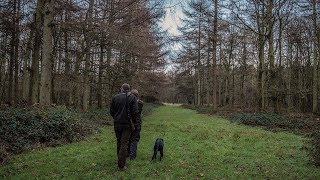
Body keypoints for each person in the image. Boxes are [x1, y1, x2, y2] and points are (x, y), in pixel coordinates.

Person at [110, 83, 138, 171]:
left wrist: (116, 117)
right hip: (127, 124)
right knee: (124, 143)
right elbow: (135, 112)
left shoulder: (115, 97)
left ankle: (119, 159)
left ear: (121, 89)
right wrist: (134, 122)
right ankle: (121, 166)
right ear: (129, 89)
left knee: (119, 141)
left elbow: (111, 111)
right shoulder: (132, 98)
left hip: (117, 123)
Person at [128, 89, 144, 160]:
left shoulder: (128, 102)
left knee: (129, 138)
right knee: (134, 139)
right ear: (137, 95)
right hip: (137, 123)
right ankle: (132, 155)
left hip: (129, 122)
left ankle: (128, 153)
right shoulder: (140, 103)